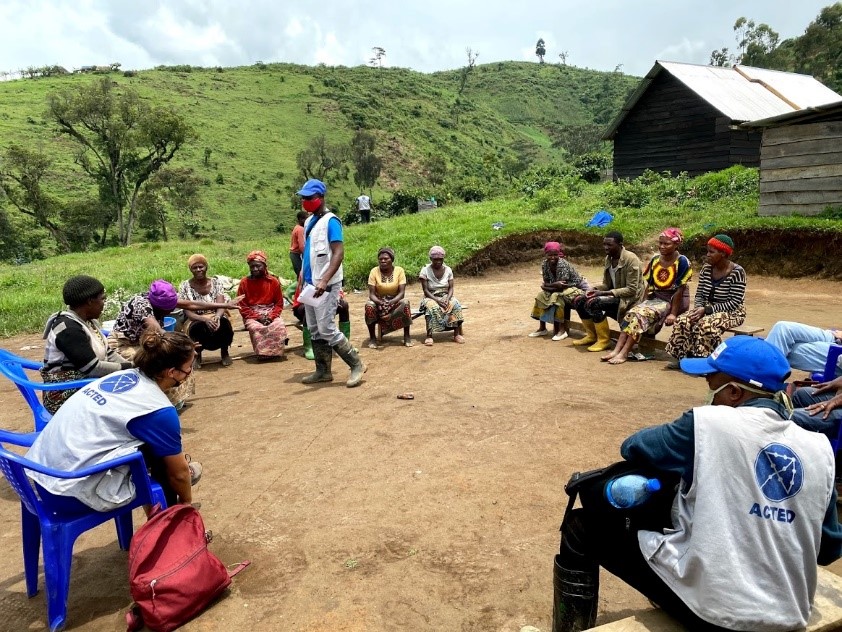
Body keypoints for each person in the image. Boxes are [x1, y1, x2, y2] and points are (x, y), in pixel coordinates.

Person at [552, 336, 841, 632]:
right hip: (788, 613)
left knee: (581, 527)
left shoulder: (707, 423)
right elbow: (829, 549)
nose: (708, 394)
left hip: (719, 615)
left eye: (710, 384)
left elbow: (634, 447)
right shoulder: (819, 449)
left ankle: (568, 626)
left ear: (732, 393)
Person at [26, 330, 203, 512]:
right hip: (65, 492)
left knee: (154, 444)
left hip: (36, 474)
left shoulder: (120, 376)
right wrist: (186, 502)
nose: (190, 371)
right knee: (164, 460)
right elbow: (178, 475)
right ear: (172, 372)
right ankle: (172, 518)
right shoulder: (158, 409)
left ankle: (162, 513)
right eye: (189, 367)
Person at [108, 279, 229, 407]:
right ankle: (156, 404)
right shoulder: (142, 306)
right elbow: (160, 332)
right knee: (163, 366)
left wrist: (224, 306)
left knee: (182, 363)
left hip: (146, 343)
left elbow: (191, 304)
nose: (171, 311)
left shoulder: (157, 298)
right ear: (160, 306)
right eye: (169, 309)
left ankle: (173, 401)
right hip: (124, 344)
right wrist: (186, 345)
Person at [297, 178, 366, 387]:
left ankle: (356, 364)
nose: (306, 201)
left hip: (326, 284)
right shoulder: (309, 222)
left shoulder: (332, 222)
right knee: (315, 328)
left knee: (326, 328)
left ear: (321, 198)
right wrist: (302, 274)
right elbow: (308, 253)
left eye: (310, 198)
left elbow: (338, 253)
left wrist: (325, 279)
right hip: (310, 284)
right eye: (303, 198)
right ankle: (323, 370)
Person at [41, 275, 132, 414]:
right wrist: (128, 367)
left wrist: (131, 367)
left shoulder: (88, 322)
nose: (104, 303)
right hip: (64, 394)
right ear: (90, 301)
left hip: (85, 385)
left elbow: (108, 352)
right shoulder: (68, 329)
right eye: (102, 298)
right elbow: (93, 368)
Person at [601, 228, 692, 365]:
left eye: (666, 244)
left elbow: (680, 290)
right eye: (660, 243)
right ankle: (617, 350)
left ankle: (624, 353)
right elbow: (648, 286)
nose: (662, 246)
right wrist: (642, 303)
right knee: (632, 312)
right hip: (655, 299)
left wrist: (672, 314)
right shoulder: (655, 260)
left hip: (672, 300)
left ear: (676, 245)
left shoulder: (682, 261)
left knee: (640, 315)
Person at [665, 234, 746, 368]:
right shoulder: (706, 269)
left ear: (723, 254)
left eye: (711, 252)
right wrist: (698, 308)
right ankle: (682, 357)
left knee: (706, 325)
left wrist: (707, 310)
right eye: (707, 251)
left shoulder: (737, 272)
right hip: (707, 309)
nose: (707, 255)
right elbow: (700, 294)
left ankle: (704, 361)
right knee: (683, 320)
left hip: (732, 312)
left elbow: (735, 302)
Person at [571, 231, 645, 352]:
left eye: (609, 245)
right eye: (604, 244)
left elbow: (631, 290)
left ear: (620, 244)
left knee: (594, 303)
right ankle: (592, 335)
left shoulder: (631, 259)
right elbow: (607, 284)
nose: (606, 247)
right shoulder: (608, 259)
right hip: (615, 295)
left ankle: (604, 340)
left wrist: (603, 294)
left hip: (629, 299)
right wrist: (594, 289)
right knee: (579, 299)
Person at [178, 254, 234, 368]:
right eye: (195, 268)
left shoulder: (216, 282)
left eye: (201, 266)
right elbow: (188, 312)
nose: (198, 270)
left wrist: (217, 317)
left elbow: (221, 304)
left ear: (206, 267)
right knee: (196, 328)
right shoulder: (184, 286)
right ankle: (198, 355)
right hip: (195, 318)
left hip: (215, 314)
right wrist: (204, 319)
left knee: (224, 324)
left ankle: (224, 352)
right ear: (191, 270)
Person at [529, 241, 590, 341]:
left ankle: (562, 330)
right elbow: (547, 281)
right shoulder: (545, 264)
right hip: (558, 287)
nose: (553, 257)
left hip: (575, 286)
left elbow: (561, 286)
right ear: (546, 255)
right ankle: (542, 328)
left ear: (559, 254)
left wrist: (546, 286)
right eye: (550, 255)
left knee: (557, 297)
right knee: (541, 295)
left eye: (555, 255)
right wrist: (547, 287)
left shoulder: (562, 265)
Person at [237, 250, 287, 360]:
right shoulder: (244, 283)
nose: (255, 269)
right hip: (251, 314)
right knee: (256, 327)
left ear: (264, 266)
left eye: (258, 266)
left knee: (278, 325)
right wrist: (258, 317)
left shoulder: (273, 282)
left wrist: (271, 316)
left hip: (271, 312)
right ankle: (263, 354)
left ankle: (275, 353)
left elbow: (279, 303)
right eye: (252, 266)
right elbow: (242, 306)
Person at [290, 275, 351, 360]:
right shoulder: (309, 272)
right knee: (308, 308)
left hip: (325, 305)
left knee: (343, 305)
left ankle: (344, 343)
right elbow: (302, 293)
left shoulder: (331, 274)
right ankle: (309, 347)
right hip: (303, 304)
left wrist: (336, 299)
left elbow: (338, 291)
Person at [366, 247, 414, 348]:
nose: (383, 261)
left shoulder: (399, 271)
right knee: (369, 305)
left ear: (392, 259)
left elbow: (401, 293)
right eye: (380, 259)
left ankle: (407, 336)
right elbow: (372, 294)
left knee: (405, 303)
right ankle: (372, 338)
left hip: (394, 301)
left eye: (386, 258)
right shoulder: (374, 271)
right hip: (379, 302)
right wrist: (380, 303)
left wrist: (391, 302)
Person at [418, 245, 465, 345]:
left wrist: (447, 299)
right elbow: (425, 290)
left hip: (445, 295)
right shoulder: (425, 270)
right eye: (435, 259)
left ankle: (456, 334)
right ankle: (429, 335)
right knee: (431, 307)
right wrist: (437, 300)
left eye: (440, 259)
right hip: (430, 296)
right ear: (431, 259)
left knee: (455, 304)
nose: (438, 261)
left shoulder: (448, 270)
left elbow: (451, 288)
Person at [765, 321, 842, 376]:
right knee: (782, 327)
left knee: (780, 347)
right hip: (837, 338)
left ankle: (764, 382)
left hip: (839, 355)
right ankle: (763, 379)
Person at [289, 210, 307, 278]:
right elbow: (302, 246)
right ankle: (299, 288)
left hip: (293, 254)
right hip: (297, 255)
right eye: (305, 218)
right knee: (301, 275)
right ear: (300, 219)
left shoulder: (296, 227)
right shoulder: (300, 229)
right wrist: (307, 256)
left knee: (299, 274)